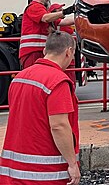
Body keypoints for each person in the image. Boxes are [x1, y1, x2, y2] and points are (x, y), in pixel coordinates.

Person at [0, 31, 80, 185]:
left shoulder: (19, 78)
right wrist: (72, 164)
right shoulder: (57, 81)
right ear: (68, 52)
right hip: (44, 174)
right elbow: (59, 126)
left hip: (12, 173)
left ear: (44, 51)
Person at [19, 0, 74, 69]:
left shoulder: (42, 9)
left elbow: (62, 22)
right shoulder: (35, 6)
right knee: (35, 75)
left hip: (38, 49)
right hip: (33, 50)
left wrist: (81, 17)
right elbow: (46, 18)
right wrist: (66, 11)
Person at [49, 3, 77, 84]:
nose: (62, 11)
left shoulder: (53, 23)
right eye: (59, 10)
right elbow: (70, 27)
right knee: (69, 80)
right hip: (65, 55)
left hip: (61, 55)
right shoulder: (58, 23)